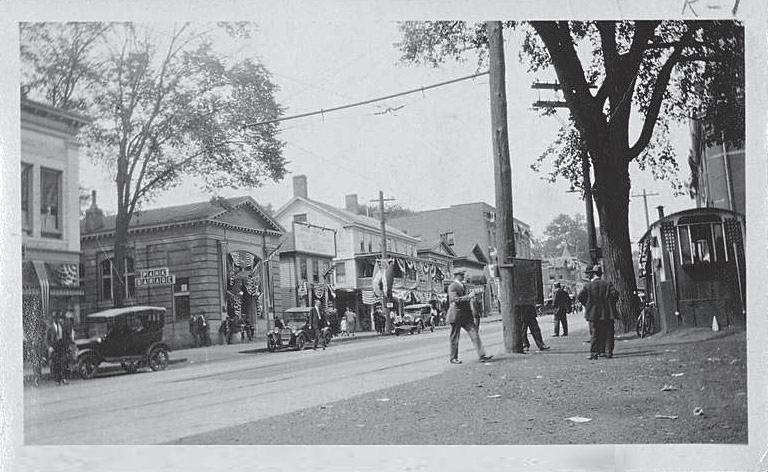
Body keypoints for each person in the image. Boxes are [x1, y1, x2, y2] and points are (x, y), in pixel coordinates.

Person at [447, 269, 493, 364]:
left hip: (466, 316)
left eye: (463, 274)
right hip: (456, 315)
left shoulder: (463, 286)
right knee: (455, 338)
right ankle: (453, 358)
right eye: (461, 275)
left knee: (474, 334)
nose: (463, 276)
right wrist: (468, 297)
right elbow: (455, 299)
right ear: (456, 276)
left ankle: (482, 355)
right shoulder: (453, 286)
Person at [578, 264, 619, 360]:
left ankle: (594, 353)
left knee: (595, 333)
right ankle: (608, 352)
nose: (587, 276)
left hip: (593, 313)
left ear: (593, 274)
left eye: (588, 274)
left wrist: (587, 305)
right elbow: (615, 295)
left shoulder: (588, 286)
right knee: (608, 333)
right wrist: (610, 304)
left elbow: (580, 297)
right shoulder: (607, 284)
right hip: (607, 313)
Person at [46, 312, 72, 385]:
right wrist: (49, 347)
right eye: (54, 318)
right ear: (53, 319)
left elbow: (67, 336)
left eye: (57, 318)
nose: (56, 319)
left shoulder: (62, 326)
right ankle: (57, 380)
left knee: (63, 363)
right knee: (56, 364)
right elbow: (47, 339)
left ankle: (64, 378)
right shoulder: (50, 328)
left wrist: (68, 344)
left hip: (62, 346)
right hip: (54, 347)